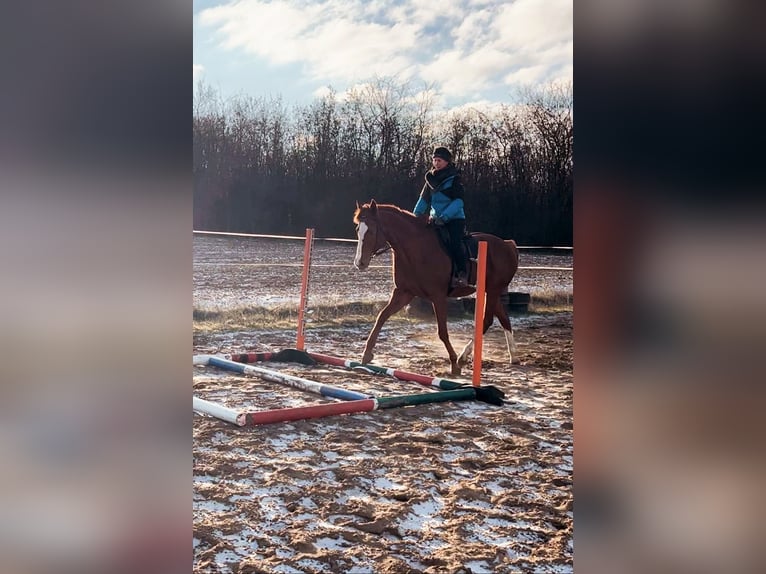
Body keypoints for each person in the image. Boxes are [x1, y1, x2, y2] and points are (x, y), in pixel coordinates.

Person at [413, 146, 469, 288]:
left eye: (439, 160)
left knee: (455, 242)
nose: (436, 163)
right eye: (434, 160)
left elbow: (459, 202)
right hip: (435, 220)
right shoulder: (429, 180)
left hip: (454, 219)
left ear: (447, 162)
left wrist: (444, 217)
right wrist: (415, 217)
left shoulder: (454, 179)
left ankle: (462, 274)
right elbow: (423, 201)